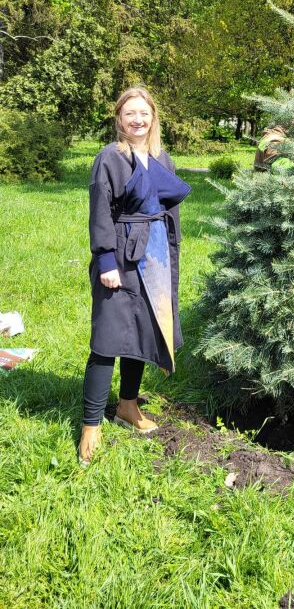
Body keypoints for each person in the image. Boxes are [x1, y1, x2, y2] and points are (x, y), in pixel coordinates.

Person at [78, 87, 191, 466]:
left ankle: (127, 406)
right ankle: (90, 424)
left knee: (142, 332)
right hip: (120, 254)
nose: (137, 120)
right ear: (120, 119)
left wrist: (168, 258)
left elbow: (168, 213)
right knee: (108, 337)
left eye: (144, 113)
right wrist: (106, 260)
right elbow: (101, 212)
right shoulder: (109, 158)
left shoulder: (161, 158)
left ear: (153, 117)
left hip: (153, 255)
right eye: (130, 114)